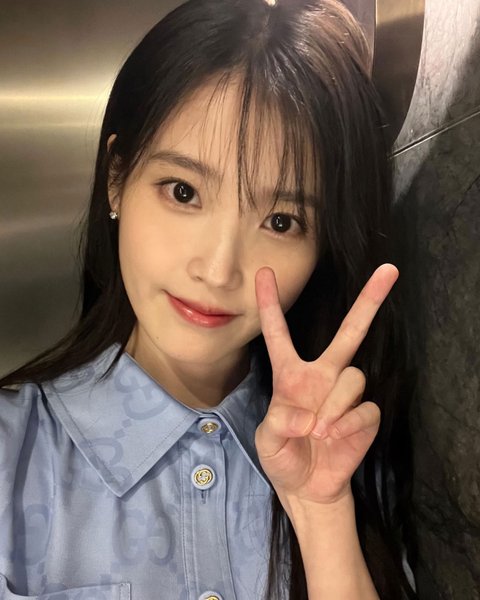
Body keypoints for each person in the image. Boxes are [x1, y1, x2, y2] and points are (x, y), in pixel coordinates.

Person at [0, 0, 418, 598]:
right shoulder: (13, 452)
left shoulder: (342, 454)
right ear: (116, 178)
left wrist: (321, 515)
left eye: (281, 221)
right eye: (183, 191)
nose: (219, 270)